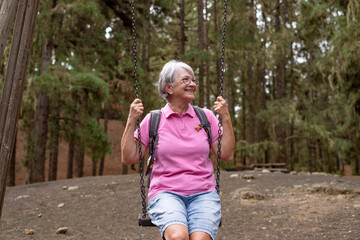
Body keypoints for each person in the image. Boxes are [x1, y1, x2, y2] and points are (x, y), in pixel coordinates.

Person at [121, 60, 235, 240]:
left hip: (203, 192)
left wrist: (226, 117)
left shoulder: (205, 117)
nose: (192, 84)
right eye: (185, 80)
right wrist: (131, 119)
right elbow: (129, 157)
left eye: (194, 80)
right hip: (166, 192)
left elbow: (227, 154)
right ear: (169, 88)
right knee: (178, 236)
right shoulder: (154, 120)